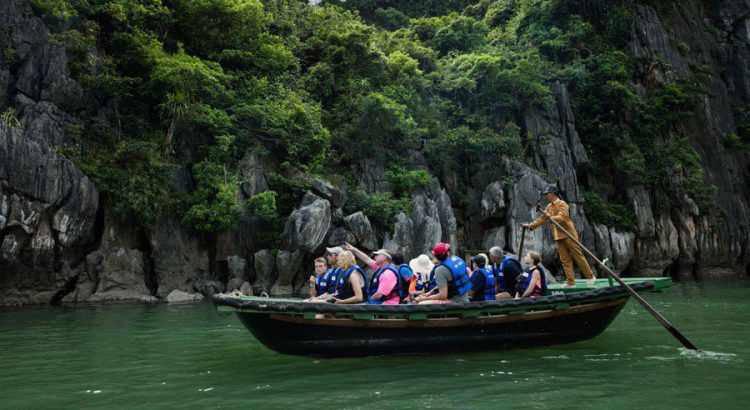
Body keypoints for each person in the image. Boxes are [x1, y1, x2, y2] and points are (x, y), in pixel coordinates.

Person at [523, 185, 596, 288]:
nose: (546, 196)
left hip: (569, 234)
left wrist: (551, 217)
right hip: (558, 236)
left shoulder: (563, 204)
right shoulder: (549, 206)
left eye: (547, 194)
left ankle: (590, 276)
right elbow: (542, 218)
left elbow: (561, 217)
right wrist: (531, 226)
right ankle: (571, 282)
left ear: (553, 194)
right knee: (565, 260)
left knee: (578, 256)